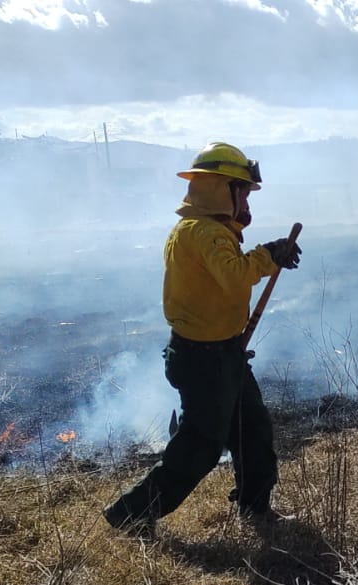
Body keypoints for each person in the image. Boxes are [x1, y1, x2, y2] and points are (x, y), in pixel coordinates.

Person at [104, 142, 301, 534]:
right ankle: (131, 513)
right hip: (203, 359)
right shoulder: (204, 232)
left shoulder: (207, 229)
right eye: (240, 189)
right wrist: (268, 254)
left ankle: (255, 508)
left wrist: (270, 254)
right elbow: (233, 275)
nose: (245, 198)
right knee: (201, 447)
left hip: (223, 352)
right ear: (219, 188)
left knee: (253, 431)